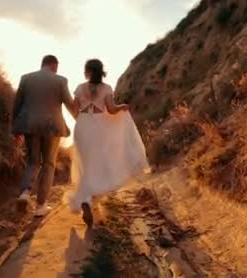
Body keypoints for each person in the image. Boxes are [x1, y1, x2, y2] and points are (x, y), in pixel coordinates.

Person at [67, 59, 149, 226]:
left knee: (84, 164)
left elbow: (74, 110)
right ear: (100, 71)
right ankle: (89, 198)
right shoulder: (106, 88)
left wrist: (82, 120)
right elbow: (111, 110)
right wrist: (122, 107)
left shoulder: (80, 88)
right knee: (96, 164)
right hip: (98, 126)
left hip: (82, 126)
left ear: (87, 71)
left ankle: (85, 199)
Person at [12, 55, 75, 217]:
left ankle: (25, 193)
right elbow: (69, 104)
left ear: (42, 65)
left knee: (33, 162)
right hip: (52, 127)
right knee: (48, 164)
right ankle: (40, 206)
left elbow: (17, 105)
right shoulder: (61, 80)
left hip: (29, 125)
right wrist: (81, 121)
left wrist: (15, 128)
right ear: (54, 66)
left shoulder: (26, 79)